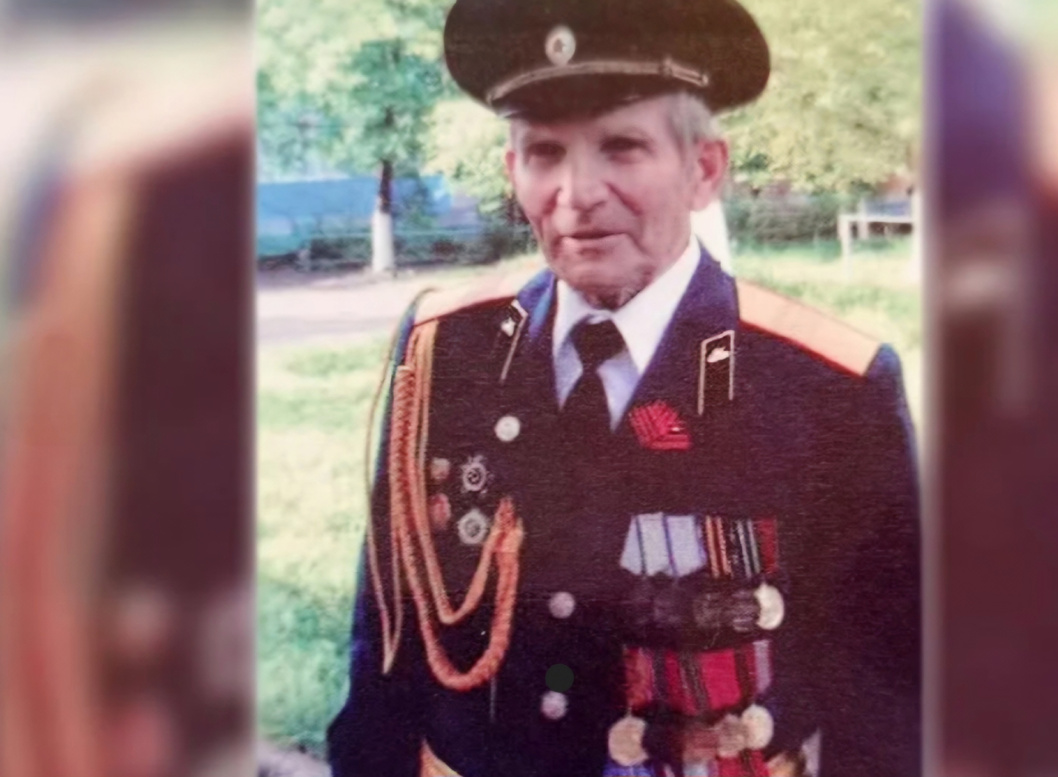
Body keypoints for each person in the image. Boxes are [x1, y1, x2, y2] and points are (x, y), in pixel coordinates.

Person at [327, 0, 920, 775]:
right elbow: (385, 651)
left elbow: (885, 698)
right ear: (512, 172)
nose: (578, 192)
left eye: (623, 147)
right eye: (544, 152)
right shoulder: (448, 349)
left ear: (704, 169)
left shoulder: (825, 386)